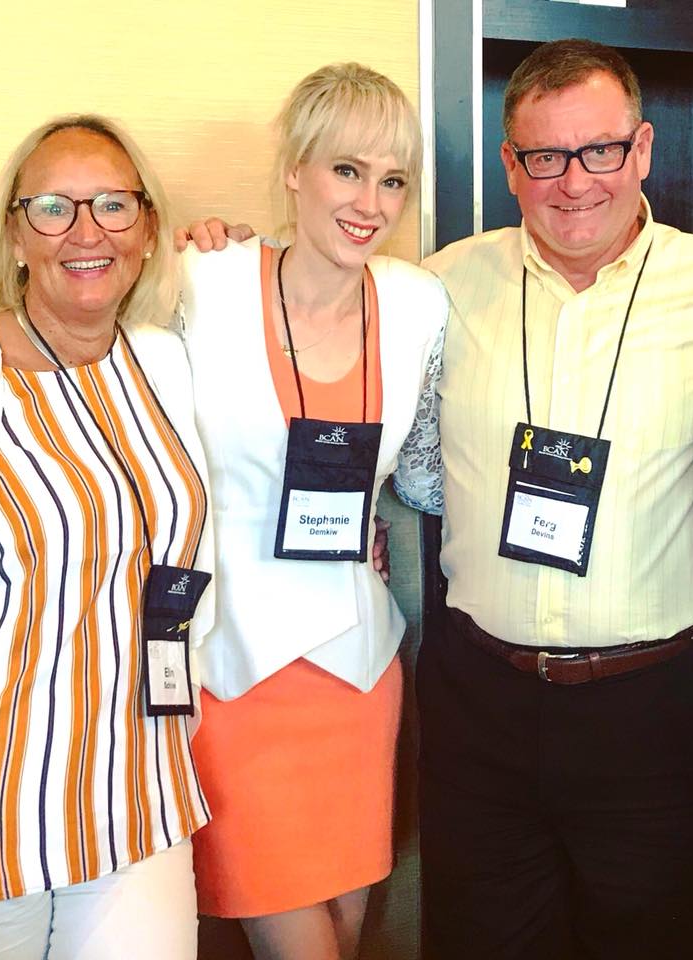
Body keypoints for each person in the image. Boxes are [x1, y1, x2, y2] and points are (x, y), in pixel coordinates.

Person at [414, 38, 693, 960]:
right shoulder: (440, 286)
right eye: (544, 157)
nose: (574, 182)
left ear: (643, 149)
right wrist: (224, 256)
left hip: (660, 711)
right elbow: (322, 313)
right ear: (510, 164)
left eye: (600, 150)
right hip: (480, 706)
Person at [180, 63, 447, 960]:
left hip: (358, 668)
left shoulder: (418, 304)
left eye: (393, 179)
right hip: (232, 672)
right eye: (346, 169)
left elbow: (425, 473)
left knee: (343, 927)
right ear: (294, 169)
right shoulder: (201, 281)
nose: (371, 201)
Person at [0, 116, 214, 959]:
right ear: (14, 232)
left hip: (140, 797)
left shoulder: (162, 360)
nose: (86, 232)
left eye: (114, 205)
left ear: (147, 230)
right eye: (52, 207)